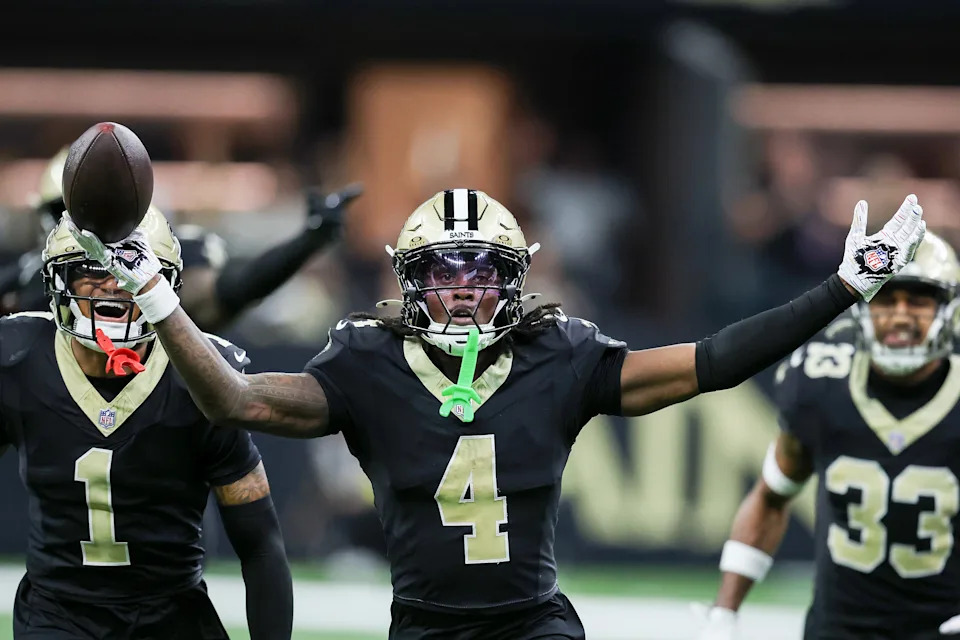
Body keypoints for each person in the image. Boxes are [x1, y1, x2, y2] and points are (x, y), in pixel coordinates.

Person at [70, 187, 924, 639]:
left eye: (483, 270)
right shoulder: (365, 362)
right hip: (425, 627)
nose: (464, 289)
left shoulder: (563, 356)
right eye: (444, 271)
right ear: (409, 278)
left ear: (515, 279)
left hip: (531, 625)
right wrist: (152, 294)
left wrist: (844, 286)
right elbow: (238, 397)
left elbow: (713, 364)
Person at [1, 208, 293, 639]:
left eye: (128, 270)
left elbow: (260, 543)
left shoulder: (201, 377)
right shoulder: (18, 359)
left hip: (171, 614)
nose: (113, 284)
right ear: (58, 281)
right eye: (92, 270)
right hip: (56, 614)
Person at [696, 231, 960, 640]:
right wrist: (724, 613)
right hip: (839, 629)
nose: (902, 315)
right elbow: (771, 495)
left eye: (919, 301)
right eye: (887, 299)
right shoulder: (821, 377)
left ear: (949, 309)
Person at [0, 146, 360, 331]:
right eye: (71, 209)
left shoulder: (174, 253)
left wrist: (305, 244)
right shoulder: (30, 273)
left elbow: (221, 295)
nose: (90, 222)